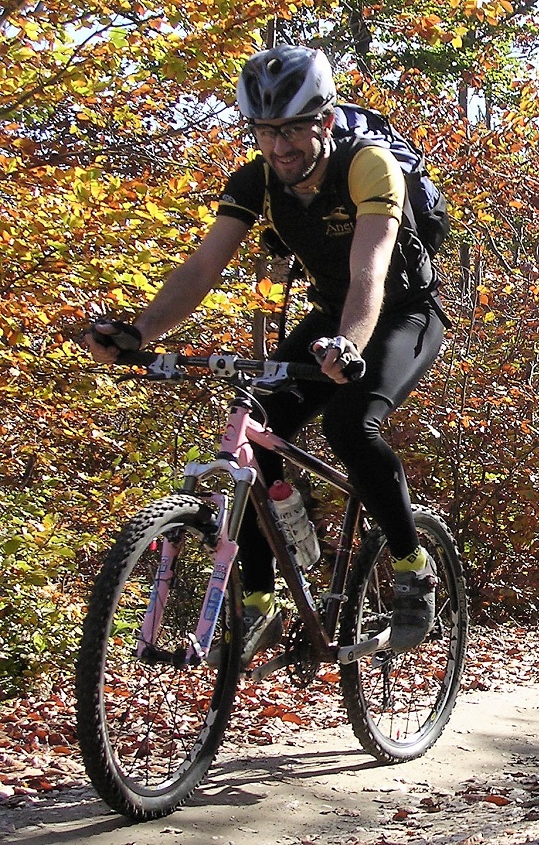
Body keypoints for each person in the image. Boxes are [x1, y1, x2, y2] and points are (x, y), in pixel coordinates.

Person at [84, 44, 445, 664]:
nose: (279, 147)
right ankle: (260, 601)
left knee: (349, 424)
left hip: (400, 314)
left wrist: (349, 346)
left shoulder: (368, 165)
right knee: (254, 432)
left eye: (294, 130)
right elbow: (202, 269)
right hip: (331, 319)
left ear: (324, 121)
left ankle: (413, 562)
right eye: (264, 131)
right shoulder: (256, 181)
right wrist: (139, 333)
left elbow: (370, 272)